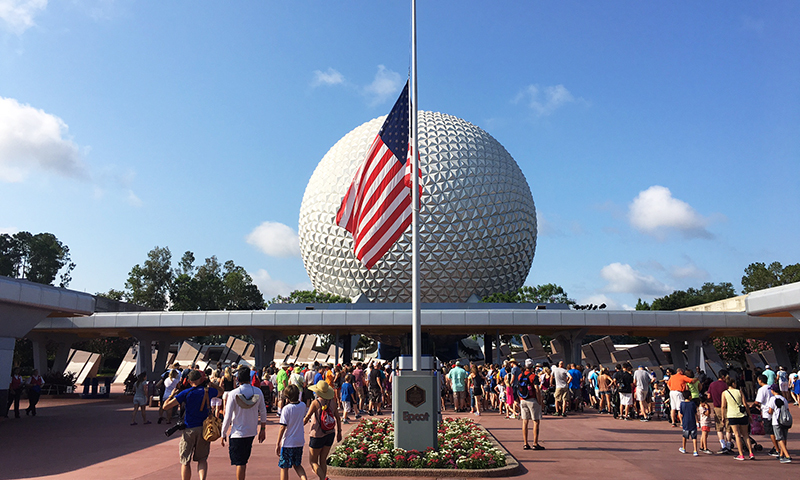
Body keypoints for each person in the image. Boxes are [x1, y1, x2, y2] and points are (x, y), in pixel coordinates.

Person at [163, 369, 223, 480]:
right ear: (201, 379)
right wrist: (210, 383)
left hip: (189, 428)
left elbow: (165, 407)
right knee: (202, 459)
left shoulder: (186, 393)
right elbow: (221, 391)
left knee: (185, 460)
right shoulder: (208, 391)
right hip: (204, 428)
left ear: (189, 381)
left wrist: (171, 396)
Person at [221, 367, 268, 480]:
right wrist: (262, 429)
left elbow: (227, 416)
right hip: (251, 432)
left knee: (240, 463)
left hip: (237, 432)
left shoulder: (233, 394)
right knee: (244, 461)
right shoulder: (257, 391)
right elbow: (263, 411)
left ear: (237, 378)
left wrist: (223, 433)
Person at [303, 380, 342, 480]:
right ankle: (323, 478)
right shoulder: (332, 402)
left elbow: (307, 417)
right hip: (330, 433)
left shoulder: (316, 403)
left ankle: (324, 478)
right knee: (323, 460)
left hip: (317, 434)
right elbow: (338, 418)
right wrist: (339, 432)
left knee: (313, 462)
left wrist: (299, 425)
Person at [276, 384, 308, 480]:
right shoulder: (302, 405)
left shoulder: (286, 409)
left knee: (284, 467)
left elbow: (282, 427)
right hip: (299, 440)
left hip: (288, 442)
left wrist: (278, 443)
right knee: (297, 465)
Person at [720, 378, 753, 461]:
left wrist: (723, 417)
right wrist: (749, 415)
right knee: (745, 435)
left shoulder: (724, 393)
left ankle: (741, 454)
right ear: (733, 383)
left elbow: (723, 406)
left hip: (732, 415)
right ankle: (750, 452)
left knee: (737, 435)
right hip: (742, 415)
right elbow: (745, 404)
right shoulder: (739, 391)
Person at [519, 363, 545, 451]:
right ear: (532, 367)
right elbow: (537, 389)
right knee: (536, 421)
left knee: (525, 421)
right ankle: (535, 443)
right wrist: (539, 400)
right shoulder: (534, 376)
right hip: (532, 399)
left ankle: (525, 443)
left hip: (523, 399)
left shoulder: (520, 376)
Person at [753, 374, 781, 457]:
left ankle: (777, 449)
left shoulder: (761, 389)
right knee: (776, 430)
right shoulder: (771, 388)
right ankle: (778, 446)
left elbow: (758, 401)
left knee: (771, 431)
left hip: (767, 412)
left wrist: (752, 406)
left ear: (760, 380)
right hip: (775, 411)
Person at [766, 383, 792, 463]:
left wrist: (768, 413)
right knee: (784, 437)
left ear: (773, 390)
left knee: (779, 438)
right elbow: (787, 409)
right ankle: (782, 454)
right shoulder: (784, 399)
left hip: (776, 421)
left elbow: (770, 411)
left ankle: (787, 455)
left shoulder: (772, 399)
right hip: (784, 420)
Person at [678, 390, 699, 456]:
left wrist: (681, 422)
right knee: (694, 437)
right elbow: (695, 413)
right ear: (690, 396)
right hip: (692, 422)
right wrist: (697, 421)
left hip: (685, 422)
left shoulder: (682, 404)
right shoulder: (692, 404)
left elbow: (681, 414)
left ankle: (684, 448)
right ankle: (695, 450)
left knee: (684, 436)